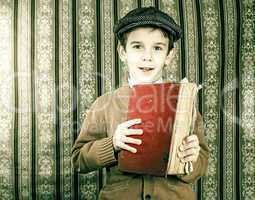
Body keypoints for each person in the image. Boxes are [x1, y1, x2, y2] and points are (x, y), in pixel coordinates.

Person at [71, 6, 209, 200]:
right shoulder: (105, 104)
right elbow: (79, 160)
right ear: (122, 52)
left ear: (169, 56)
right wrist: (112, 144)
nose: (147, 56)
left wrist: (191, 159)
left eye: (157, 48)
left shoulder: (183, 104)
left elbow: (201, 163)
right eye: (137, 46)